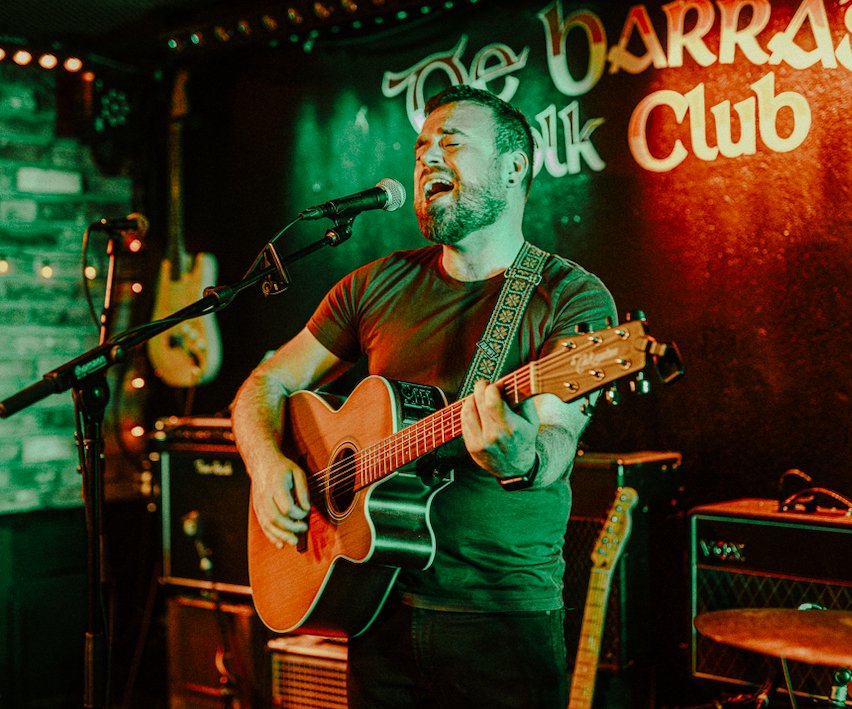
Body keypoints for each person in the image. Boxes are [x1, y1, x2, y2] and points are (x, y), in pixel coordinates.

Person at [231, 84, 617, 708]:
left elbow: (556, 439)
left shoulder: (570, 296)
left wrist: (520, 456)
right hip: (374, 597)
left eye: (452, 143)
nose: (427, 159)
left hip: (497, 616)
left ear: (515, 166)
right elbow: (266, 383)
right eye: (420, 150)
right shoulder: (372, 286)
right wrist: (267, 464)